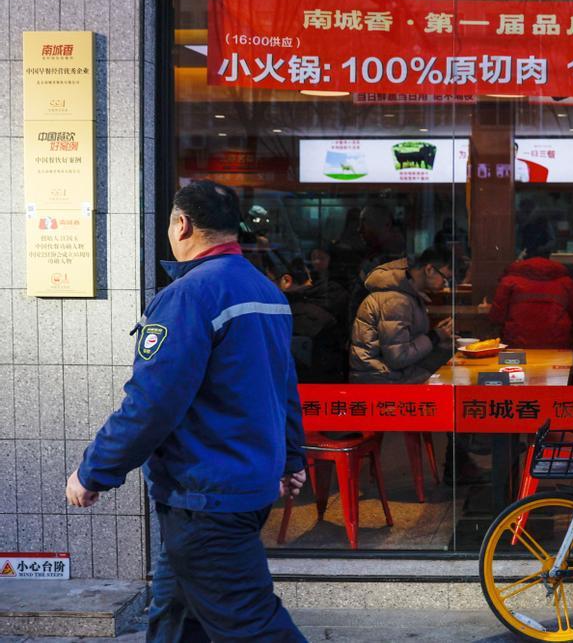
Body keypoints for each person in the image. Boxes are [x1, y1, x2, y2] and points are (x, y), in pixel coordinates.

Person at [64, 180, 306, 642]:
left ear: (182, 224)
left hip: (206, 497)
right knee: (175, 617)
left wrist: (94, 472)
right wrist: (292, 458)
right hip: (235, 490)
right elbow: (284, 388)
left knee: (253, 625)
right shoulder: (266, 291)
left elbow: (152, 403)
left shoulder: (188, 296)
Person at [349, 246, 455, 384]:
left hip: (391, 375)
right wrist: (434, 336)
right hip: (382, 381)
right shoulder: (395, 300)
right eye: (445, 278)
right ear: (429, 270)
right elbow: (398, 358)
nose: (445, 285)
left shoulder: (407, 294)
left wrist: (437, 338)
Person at [264, 252, 346, 384]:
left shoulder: (296, 315)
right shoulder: (331, 299)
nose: (265, 287)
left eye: (268, 281)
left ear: (286, 281)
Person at [489, 247, 573, 349]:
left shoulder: (509, 282)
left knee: (515, 364)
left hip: (517, 344)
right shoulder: (566, 283)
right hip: (557, 345)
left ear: (524, 258)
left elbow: (496, 317)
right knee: (559, 364)